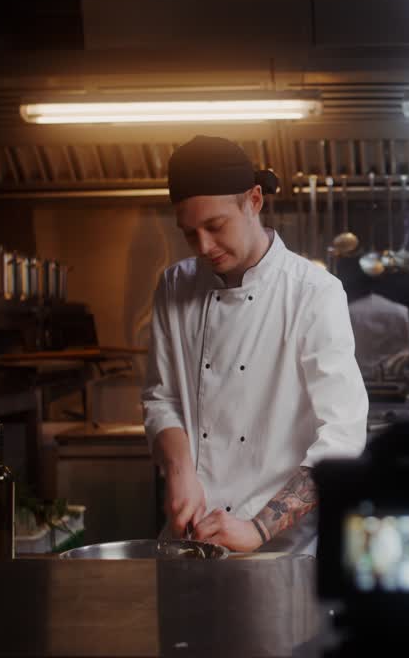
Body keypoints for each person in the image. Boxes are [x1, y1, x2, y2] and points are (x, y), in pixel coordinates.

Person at [142, 135, 368, 554]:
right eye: (190, 234)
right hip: (192, 540)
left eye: (215, 226)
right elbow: (161, 397)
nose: (204, 247)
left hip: (283, 549)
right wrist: (179, 469)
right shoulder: (174, 286)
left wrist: (258, 529)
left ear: (255, 200)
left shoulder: (313, 292)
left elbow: (342, 436)